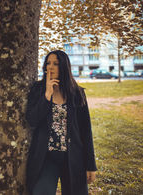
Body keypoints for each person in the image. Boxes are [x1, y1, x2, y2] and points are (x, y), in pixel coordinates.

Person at [26, 50, 97, 195]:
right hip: (46, 158)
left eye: (55, 64)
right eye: (48, 63)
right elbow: (32, 120)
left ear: (64, 66)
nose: (50, 67)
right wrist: (47, 95)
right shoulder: (38, 89)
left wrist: (91, 166)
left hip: (73, 157)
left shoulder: (77, 93)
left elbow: (86, 130)